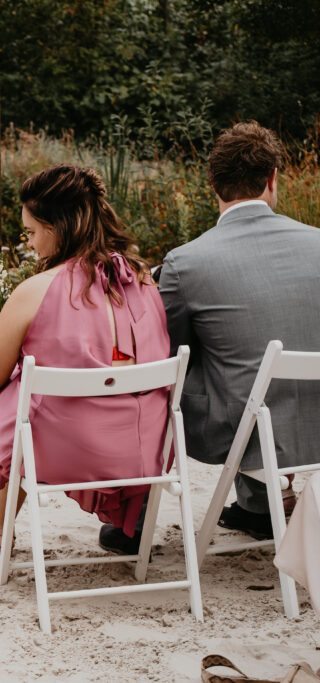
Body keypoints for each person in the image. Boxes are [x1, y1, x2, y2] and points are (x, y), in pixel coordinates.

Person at [0, 164, 171, 554]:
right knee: (32, 392)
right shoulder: (143, 281)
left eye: (31, 232)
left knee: (10, 390)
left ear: (57, 228)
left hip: (70, 454)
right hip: (142, 453)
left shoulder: (36, 291)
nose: (28, 243)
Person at [149, 121, 320, 542]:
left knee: (204, 364)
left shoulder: (185, 263)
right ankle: (259, 506)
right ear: (273, 179)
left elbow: (167, 352)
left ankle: (258, 501)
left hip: (249, 434)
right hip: (315, 419)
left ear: (212, 185)